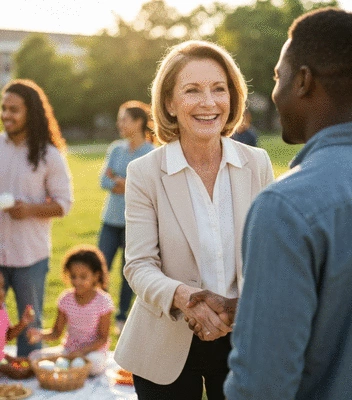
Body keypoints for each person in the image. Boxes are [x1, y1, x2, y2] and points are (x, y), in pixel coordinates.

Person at [223, 8, 352, 400]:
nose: (275, 90)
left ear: (302, 81)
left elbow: (261, 387)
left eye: (277, 76)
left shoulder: (285, 207)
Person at [114, 39, 274, 399]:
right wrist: (186, 298)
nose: (208, 102)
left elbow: (271, 257)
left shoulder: (257, 163)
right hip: (163, 344)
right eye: (192, 91)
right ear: (169, 103)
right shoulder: (144, 172)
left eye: (219, 89)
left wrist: (239, 308)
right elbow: (138, 265)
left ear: (232, 98)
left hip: (243, 341)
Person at [0, 79, 73, 357]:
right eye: (4, 108)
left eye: (14, 109)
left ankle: (30, 384)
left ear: (30, 112)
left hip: (30, 256)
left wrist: (28, 209)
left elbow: (63, 204)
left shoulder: (49, 155)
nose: (7, 115)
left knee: (30, 325)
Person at [98, 100, 155, 334]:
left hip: (134, 223)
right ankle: (97, 313)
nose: (119, 123)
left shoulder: (151, 153)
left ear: (138, 122)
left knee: (127, 272)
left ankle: (121, 317)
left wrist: (123, 182)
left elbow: (149, 187)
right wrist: (123, 182)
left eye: (124, 119)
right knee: (100, 268)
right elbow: (104, 181)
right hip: (109, 220)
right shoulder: (116, 149)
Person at [27, 245, 115, 376]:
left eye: (83, 277)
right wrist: (40, 334)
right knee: (34, 357)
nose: (77, 281)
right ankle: (73, 370)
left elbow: (103, 338)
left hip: (92, 352)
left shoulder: (103, 301)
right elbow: (56, 332)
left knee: (94, 365)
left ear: (96, 276)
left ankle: (73, 369)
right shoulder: (65, 299)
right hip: (69, 350)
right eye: (73, 276)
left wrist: (82, 352)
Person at [0, 272, 35, 362]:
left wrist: (23, 323)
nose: (1, 292)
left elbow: (8, 335)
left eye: (2, 287)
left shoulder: (2, 310)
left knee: (27, 365)